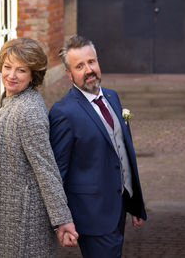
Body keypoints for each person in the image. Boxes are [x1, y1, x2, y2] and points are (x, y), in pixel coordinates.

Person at [0, 37, 79, 258]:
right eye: (7, 67)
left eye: (21, 70)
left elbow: (46, 169)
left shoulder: (28, 110)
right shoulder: (8, 101)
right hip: (0, 215)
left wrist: (62, 221)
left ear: (33, 74)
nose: (11, 75)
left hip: (21, 224)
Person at [49, 35, 147, 258]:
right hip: (91, 214)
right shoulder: (64, 112)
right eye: (80, 66)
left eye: (91, 62)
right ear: (69, 74)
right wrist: (61, 221)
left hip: (118, 205)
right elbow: (57, 172)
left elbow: (123, 153)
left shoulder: (112, 97)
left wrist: (134, 202)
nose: (88, 70)